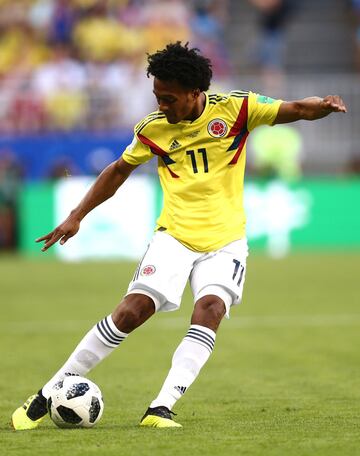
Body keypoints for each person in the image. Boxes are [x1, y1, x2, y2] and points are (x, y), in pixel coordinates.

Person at [11, 42, 347, 430]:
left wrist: (321, 106)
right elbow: (118, 170)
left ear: (194, 92)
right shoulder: (152, 129)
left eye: (168, 99)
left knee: (210, 311)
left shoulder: (236, 109)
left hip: (226, 241)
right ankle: (44, 396)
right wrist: (76, 215)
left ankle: (161, 408)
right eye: (157, 97)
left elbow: (297, 108)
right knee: (131, 311)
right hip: (174, 236)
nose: (161, 106)